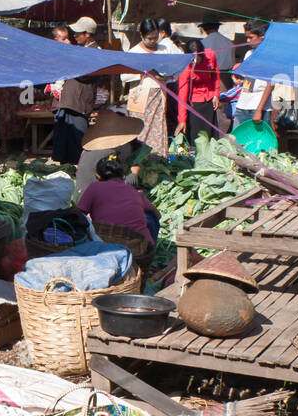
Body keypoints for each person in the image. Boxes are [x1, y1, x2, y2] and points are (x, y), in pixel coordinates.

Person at [78, 152, 158, 246]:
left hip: (107, 251)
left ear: (98, 176)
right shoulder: (134, 191)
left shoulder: (94, 187)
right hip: (143, 253)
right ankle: (151, 248)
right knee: (150, 215)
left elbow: (79, 214)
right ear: (122, 175)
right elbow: (158, 215)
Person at [121, 18, 174, 155]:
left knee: (158, 129)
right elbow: (124, 76)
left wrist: (167, 74)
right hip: (141, 98)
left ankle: (158, 159)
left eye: (155, 38)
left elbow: (170, 69)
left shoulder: (164, 49)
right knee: (141, 131)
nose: (153, 41)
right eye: (149, 38)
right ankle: (139, 162)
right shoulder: (134, 52)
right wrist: (144, 72)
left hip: (159, 96)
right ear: (141, 35)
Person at [176, 38, 222, 141]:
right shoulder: (186, 66)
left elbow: (215, 75)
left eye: (198, 58)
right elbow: (182, 94)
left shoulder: (210, 55)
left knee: (210, 136)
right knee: (197, 136)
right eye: (193, 59)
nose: (196, 61)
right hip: (194, 103)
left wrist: (216, 94)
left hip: (209, 99)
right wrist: (182, 119)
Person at [200, 21, 237, 88]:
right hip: (227, 77)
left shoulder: (203, 43)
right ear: (217, 27)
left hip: (210, 76)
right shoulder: (229, 42)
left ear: (205, 29)